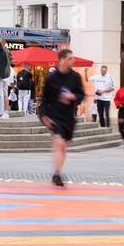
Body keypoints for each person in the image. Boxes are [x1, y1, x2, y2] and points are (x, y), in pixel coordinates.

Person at [39, 48, 85, 186]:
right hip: (54, 116)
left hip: (69, 117)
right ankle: (57, 175)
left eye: (73, 58)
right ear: (62, 60)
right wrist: (43, 116)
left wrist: (73, 96)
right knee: (59, 143)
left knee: (63, 146)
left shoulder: (76, 77)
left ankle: (57, 171)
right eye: (70, 58)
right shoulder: (51, 78)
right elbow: (44, 99)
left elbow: (81, 95)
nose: (73, 60)